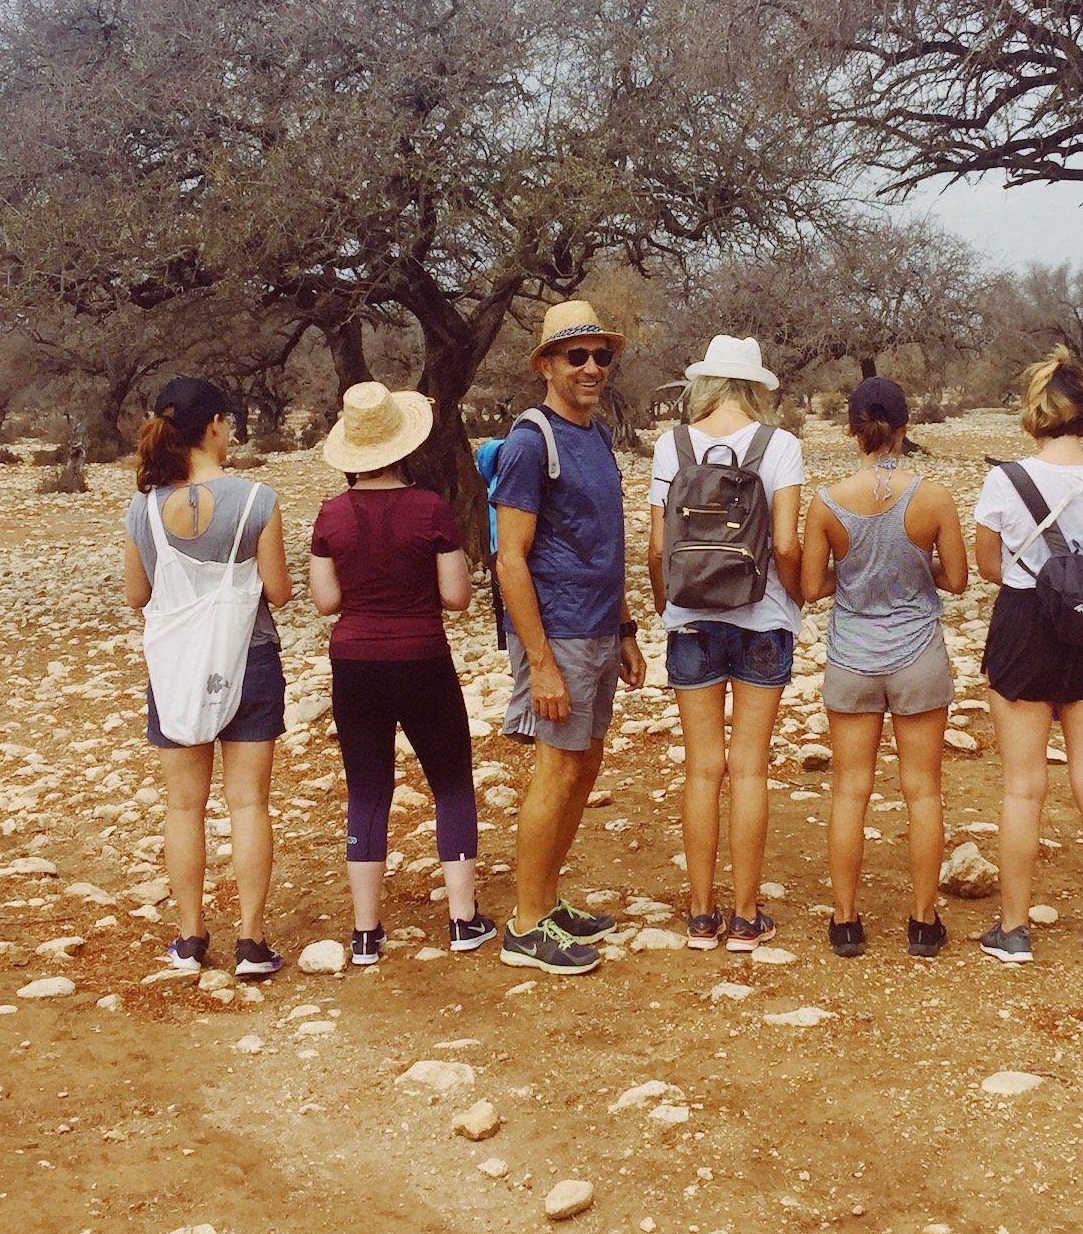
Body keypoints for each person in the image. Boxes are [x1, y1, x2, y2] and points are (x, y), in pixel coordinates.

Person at [308, 382, 489, 968]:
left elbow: (325, 601)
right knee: (452, 783)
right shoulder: (431, 509)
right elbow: (457, 597)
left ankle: (366, 932)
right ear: (402, 444)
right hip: (422, 657)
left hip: (354, 661)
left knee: (367, 789)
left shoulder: (330, 514)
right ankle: (463, 919)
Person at [491, 300, 647, 974]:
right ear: (546, 365)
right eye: (574, 356)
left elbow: (603, 544)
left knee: (584, 764)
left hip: (598, 631)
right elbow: (509, 558)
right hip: (558, 635)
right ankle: (526, 924)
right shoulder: (532, 441)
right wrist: (541, 662)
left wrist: (626, 627)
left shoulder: (596, 435)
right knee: (557, 769)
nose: (590, 368)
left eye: (599, 356)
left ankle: (548, 903)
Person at [122, 375, 292, 980]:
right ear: (216, 424)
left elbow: (137, 596)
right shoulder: (258, 500)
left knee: (183, 807)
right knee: (248, 803)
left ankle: (191, 936)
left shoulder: (141, 507)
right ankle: (251, 940)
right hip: (250, 659)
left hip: (176, 671)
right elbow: (278, 591)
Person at [972, 349, 1083, 966]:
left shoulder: (1004, 480)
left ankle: (1014, 930)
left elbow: (990, 564)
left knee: (1023, 788)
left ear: (1036, 411)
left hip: (1024, 626)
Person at [800, 378, 968, 958]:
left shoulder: (827, 500)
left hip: (852, 656)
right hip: (918, 652)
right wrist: (916, 573)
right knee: (923, 792)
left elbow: (810, 587)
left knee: (850, 792)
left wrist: (852, 578)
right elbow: (957, 578)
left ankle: (845, 920)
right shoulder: (934, 497)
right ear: (904, 428)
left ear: (851, 430)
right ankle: (923, 922)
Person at [648, 335, 805, 950]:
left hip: (690, 622)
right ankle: (744, 918)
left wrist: (668, 608)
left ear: (706, 384)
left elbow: (659, 547)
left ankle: (699, 915)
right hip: (761, 619)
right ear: (756, 386)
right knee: (749, 769)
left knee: (701, 770)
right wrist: (794, 599)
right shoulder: (780, 446)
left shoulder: (672, 445)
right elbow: (788, 545)